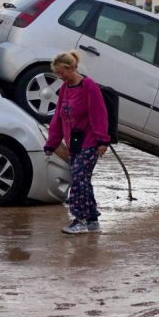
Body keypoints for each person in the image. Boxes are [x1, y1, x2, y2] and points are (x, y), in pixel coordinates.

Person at [43, 51, 110, 235]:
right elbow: (58, 117)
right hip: (74, 144)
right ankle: (92, 221)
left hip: (89, 142)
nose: (59, 76)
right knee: (83, 181)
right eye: (57, 73)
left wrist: (102, 140)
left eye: (61, 72)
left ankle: (79, 219)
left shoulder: (89, 86)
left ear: (71, 68)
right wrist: (52, 143)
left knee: (79, 179)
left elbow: (99, 115)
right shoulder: (65, 89)